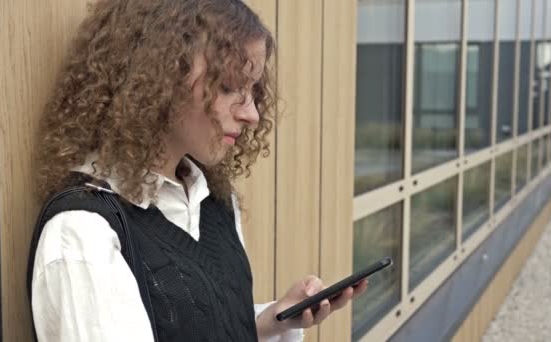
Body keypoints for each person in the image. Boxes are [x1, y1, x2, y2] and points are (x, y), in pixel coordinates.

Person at [28, 0, 368, 341]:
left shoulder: (214, 201)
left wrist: (273, 320)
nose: (253, 115)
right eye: (230, 86)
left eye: (253, 90)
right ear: (159, 77)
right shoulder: (82, 235)